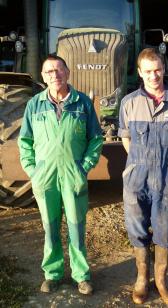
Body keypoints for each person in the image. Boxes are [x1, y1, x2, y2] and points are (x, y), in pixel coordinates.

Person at [18, 54, 103, 295]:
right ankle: (52, 274)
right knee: (50, 228)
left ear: (67, 72)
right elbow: (24, 141)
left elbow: (96, 139)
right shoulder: (34, 104)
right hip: (45, 178)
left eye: (58, 69)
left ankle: (81, 276)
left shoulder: (82, 103)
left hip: (73, 176)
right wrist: (34, 170)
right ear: (43, 77)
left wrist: (84, 166)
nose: (54, 75)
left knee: (76, 228)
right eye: (48, 71)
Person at [118, 48, 168, 305]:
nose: (154, 75)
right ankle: (142, 279)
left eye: (157, 69)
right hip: (137, 176)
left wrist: (167, 162)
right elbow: (126, 138)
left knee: (163, 228)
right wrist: (138, 163)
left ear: (164, 68)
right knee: (137, 226)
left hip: (166, 176)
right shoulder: (129, 103)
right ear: (139, 73)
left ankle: (160, 281)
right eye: (148, 71)